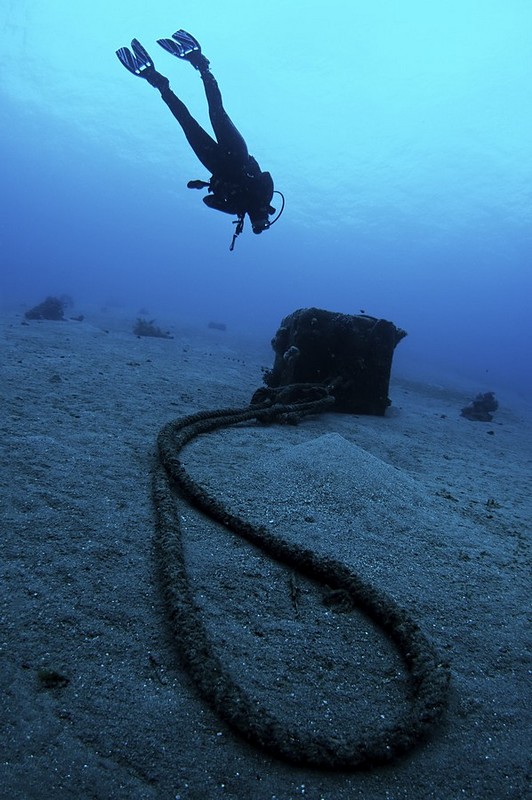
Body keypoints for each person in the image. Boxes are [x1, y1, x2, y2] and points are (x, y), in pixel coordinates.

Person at [116, 30, 277, 247]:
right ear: (268, 217)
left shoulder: (235, 208)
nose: (259, 221)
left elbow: (208, 201)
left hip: (216, 165)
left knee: (187, 123)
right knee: (217, 113)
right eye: (263, 222)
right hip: (239, 156)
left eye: (256, 225)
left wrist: (219, 188)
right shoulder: (265, 197)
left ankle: (160, 84)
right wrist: (257, 196)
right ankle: (202, 65)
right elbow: (266, 176)